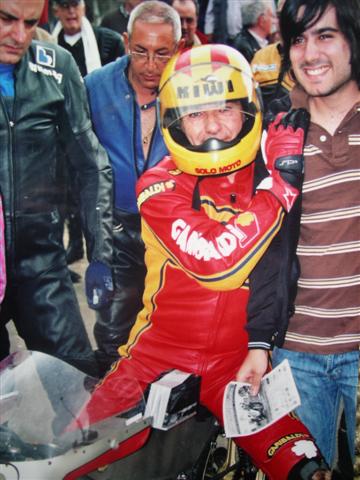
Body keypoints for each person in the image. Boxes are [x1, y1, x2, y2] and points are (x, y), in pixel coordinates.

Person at [78, 44, 331, 480]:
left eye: (225, 109)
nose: (212, 125)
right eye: (195, 114)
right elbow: (217, 264)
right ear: (174, 120)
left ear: (248, 110)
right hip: (153, 359)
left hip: (240, 367)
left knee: (307, 468)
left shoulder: (273, 164)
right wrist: (280, 190)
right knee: (75, 455)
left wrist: (283, 169)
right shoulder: (158, 183)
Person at [248, 0, 360, 475]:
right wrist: (258, 345)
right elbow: (264, 249)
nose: (310, 53)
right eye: (298, 39)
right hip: (296, 355)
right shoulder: (275, 134)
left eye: (326, 36)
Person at [0, 0, 114, 376]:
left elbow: (90, 164)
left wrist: (100, 251)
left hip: (43, 263)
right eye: (6, 19)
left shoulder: (57, 65)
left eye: (31, 23)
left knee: (81, 396)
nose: (19, 35)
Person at [84, 1, 184, 375]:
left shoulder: (189, 87)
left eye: (163, 54)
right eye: (140, 51)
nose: (150, 65)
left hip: (173, 228)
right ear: (125, 41)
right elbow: (77, 161)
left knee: (170, 327)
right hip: (115, 227)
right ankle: (113, 410)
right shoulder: (95, 87)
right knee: (113, 331)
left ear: (179, 47)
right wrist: (93, 237)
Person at [51, 0, 125, 268]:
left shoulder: (107, 41)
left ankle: (102, 250)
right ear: (56, 10)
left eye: (76, 5)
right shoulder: (49, 43)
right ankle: (73, 244)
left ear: (83, 7)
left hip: (99, 125)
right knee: (66, 190)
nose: (71, 12)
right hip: (61, 129)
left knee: (96, 187)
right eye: (65, 6)